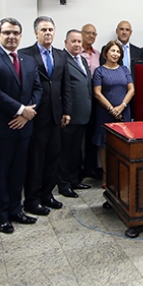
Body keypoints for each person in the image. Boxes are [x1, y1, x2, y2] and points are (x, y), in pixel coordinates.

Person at [0, 18, 42, 234]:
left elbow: (37, 89)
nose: (11, 36)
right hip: (1, 126)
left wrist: (27, 115)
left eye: (15, 33)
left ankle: (16, 210)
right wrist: (20, 110)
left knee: (19, 171)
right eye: (7, 32)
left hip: (24, 126)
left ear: (20, 35)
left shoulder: (28, 61)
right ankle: (1, 216)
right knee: (0, 173)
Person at [19, 16, 73, 208]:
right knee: (36, 159)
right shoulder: (25, 54)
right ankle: (32, 199)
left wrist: (67, 111)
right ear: (36, 33)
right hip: (36, 115)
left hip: (56, 116)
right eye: (43, 30)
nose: (48, 33)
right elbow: (23, 86)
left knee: (53, 156)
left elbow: (66, 85)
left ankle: (47, 194)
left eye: (50, 29)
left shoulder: (60, 55)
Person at [93, 41, 135, 179]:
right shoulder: (99, 71)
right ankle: (106, 175)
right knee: (104, 144)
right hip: (104, 113)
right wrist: (111, 109)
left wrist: (121, 106)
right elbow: (97, 93)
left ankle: (121, 174)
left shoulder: (124, 70)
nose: (115, 54)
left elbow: (131, 90)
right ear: (106, 53)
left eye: (118, 52)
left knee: (123, 143)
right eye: (113, 51)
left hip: (124, 112)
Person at [58, 30, 93, 193]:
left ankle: (75, 180)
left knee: (76, 151)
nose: (77, 44)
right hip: (69, 115)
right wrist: (65, 111)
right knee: (65, 152)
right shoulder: (61, 60)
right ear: (66, 43)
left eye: (79, 41)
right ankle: (64, 184)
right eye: (73, 41)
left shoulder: (82, 61)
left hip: (83, 114)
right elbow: (61, 89)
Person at [80, 23, 102, 180]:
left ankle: (91, 167)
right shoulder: (75, 53)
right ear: (81, 34)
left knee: (92, 135)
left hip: (96, 100)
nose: (91, 36)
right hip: (79, 100)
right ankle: (76, 171)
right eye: (88, 33)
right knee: (76, 138)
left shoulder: (99, 54)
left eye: (94, 34)